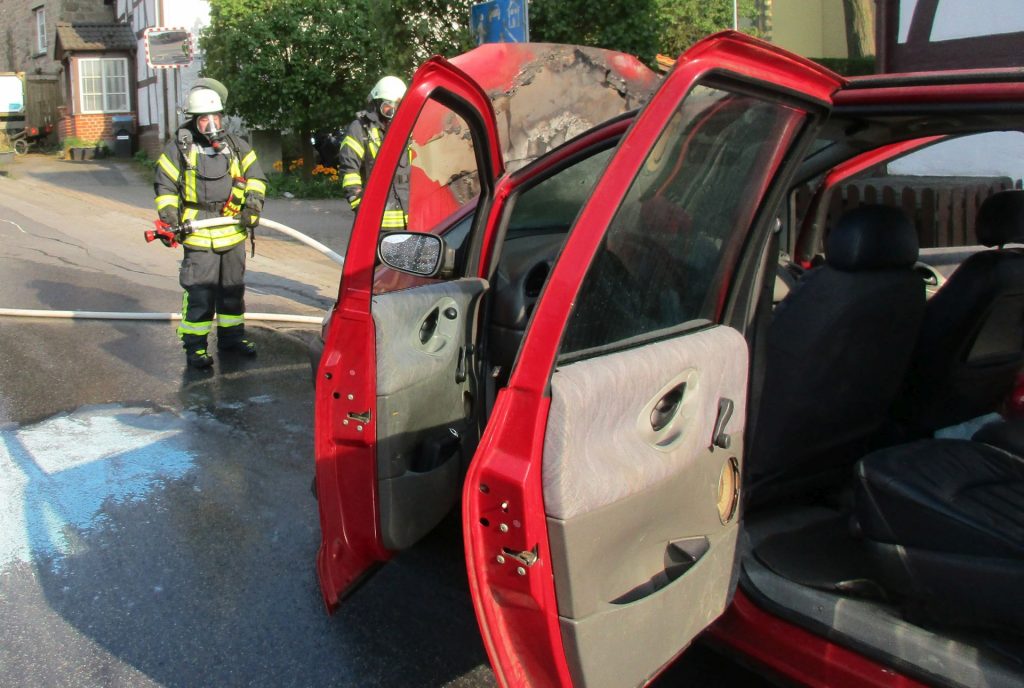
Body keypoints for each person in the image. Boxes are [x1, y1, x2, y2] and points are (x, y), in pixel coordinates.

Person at [153, 85, 267, 369]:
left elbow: (257, 178)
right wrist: (170, 221)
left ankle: (232, 338)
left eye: (215, 117)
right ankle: (195, 346)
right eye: (204, 119)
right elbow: (165, 187)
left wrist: (252, 206)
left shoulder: (236, 146)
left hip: (232, 229)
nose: (212, 124)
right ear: (194, 120)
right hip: (199, 231)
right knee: (200, 294)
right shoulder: (179, 149)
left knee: (232, 290)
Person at [339, 75, 410, 231]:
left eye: (398, 106)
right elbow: (349, 169)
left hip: (409, 221)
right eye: (388, 107)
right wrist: (358, 203)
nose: (393, 111)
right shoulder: (360, 129)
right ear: (377, 104)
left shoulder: (408, 129)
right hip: (376, 224)